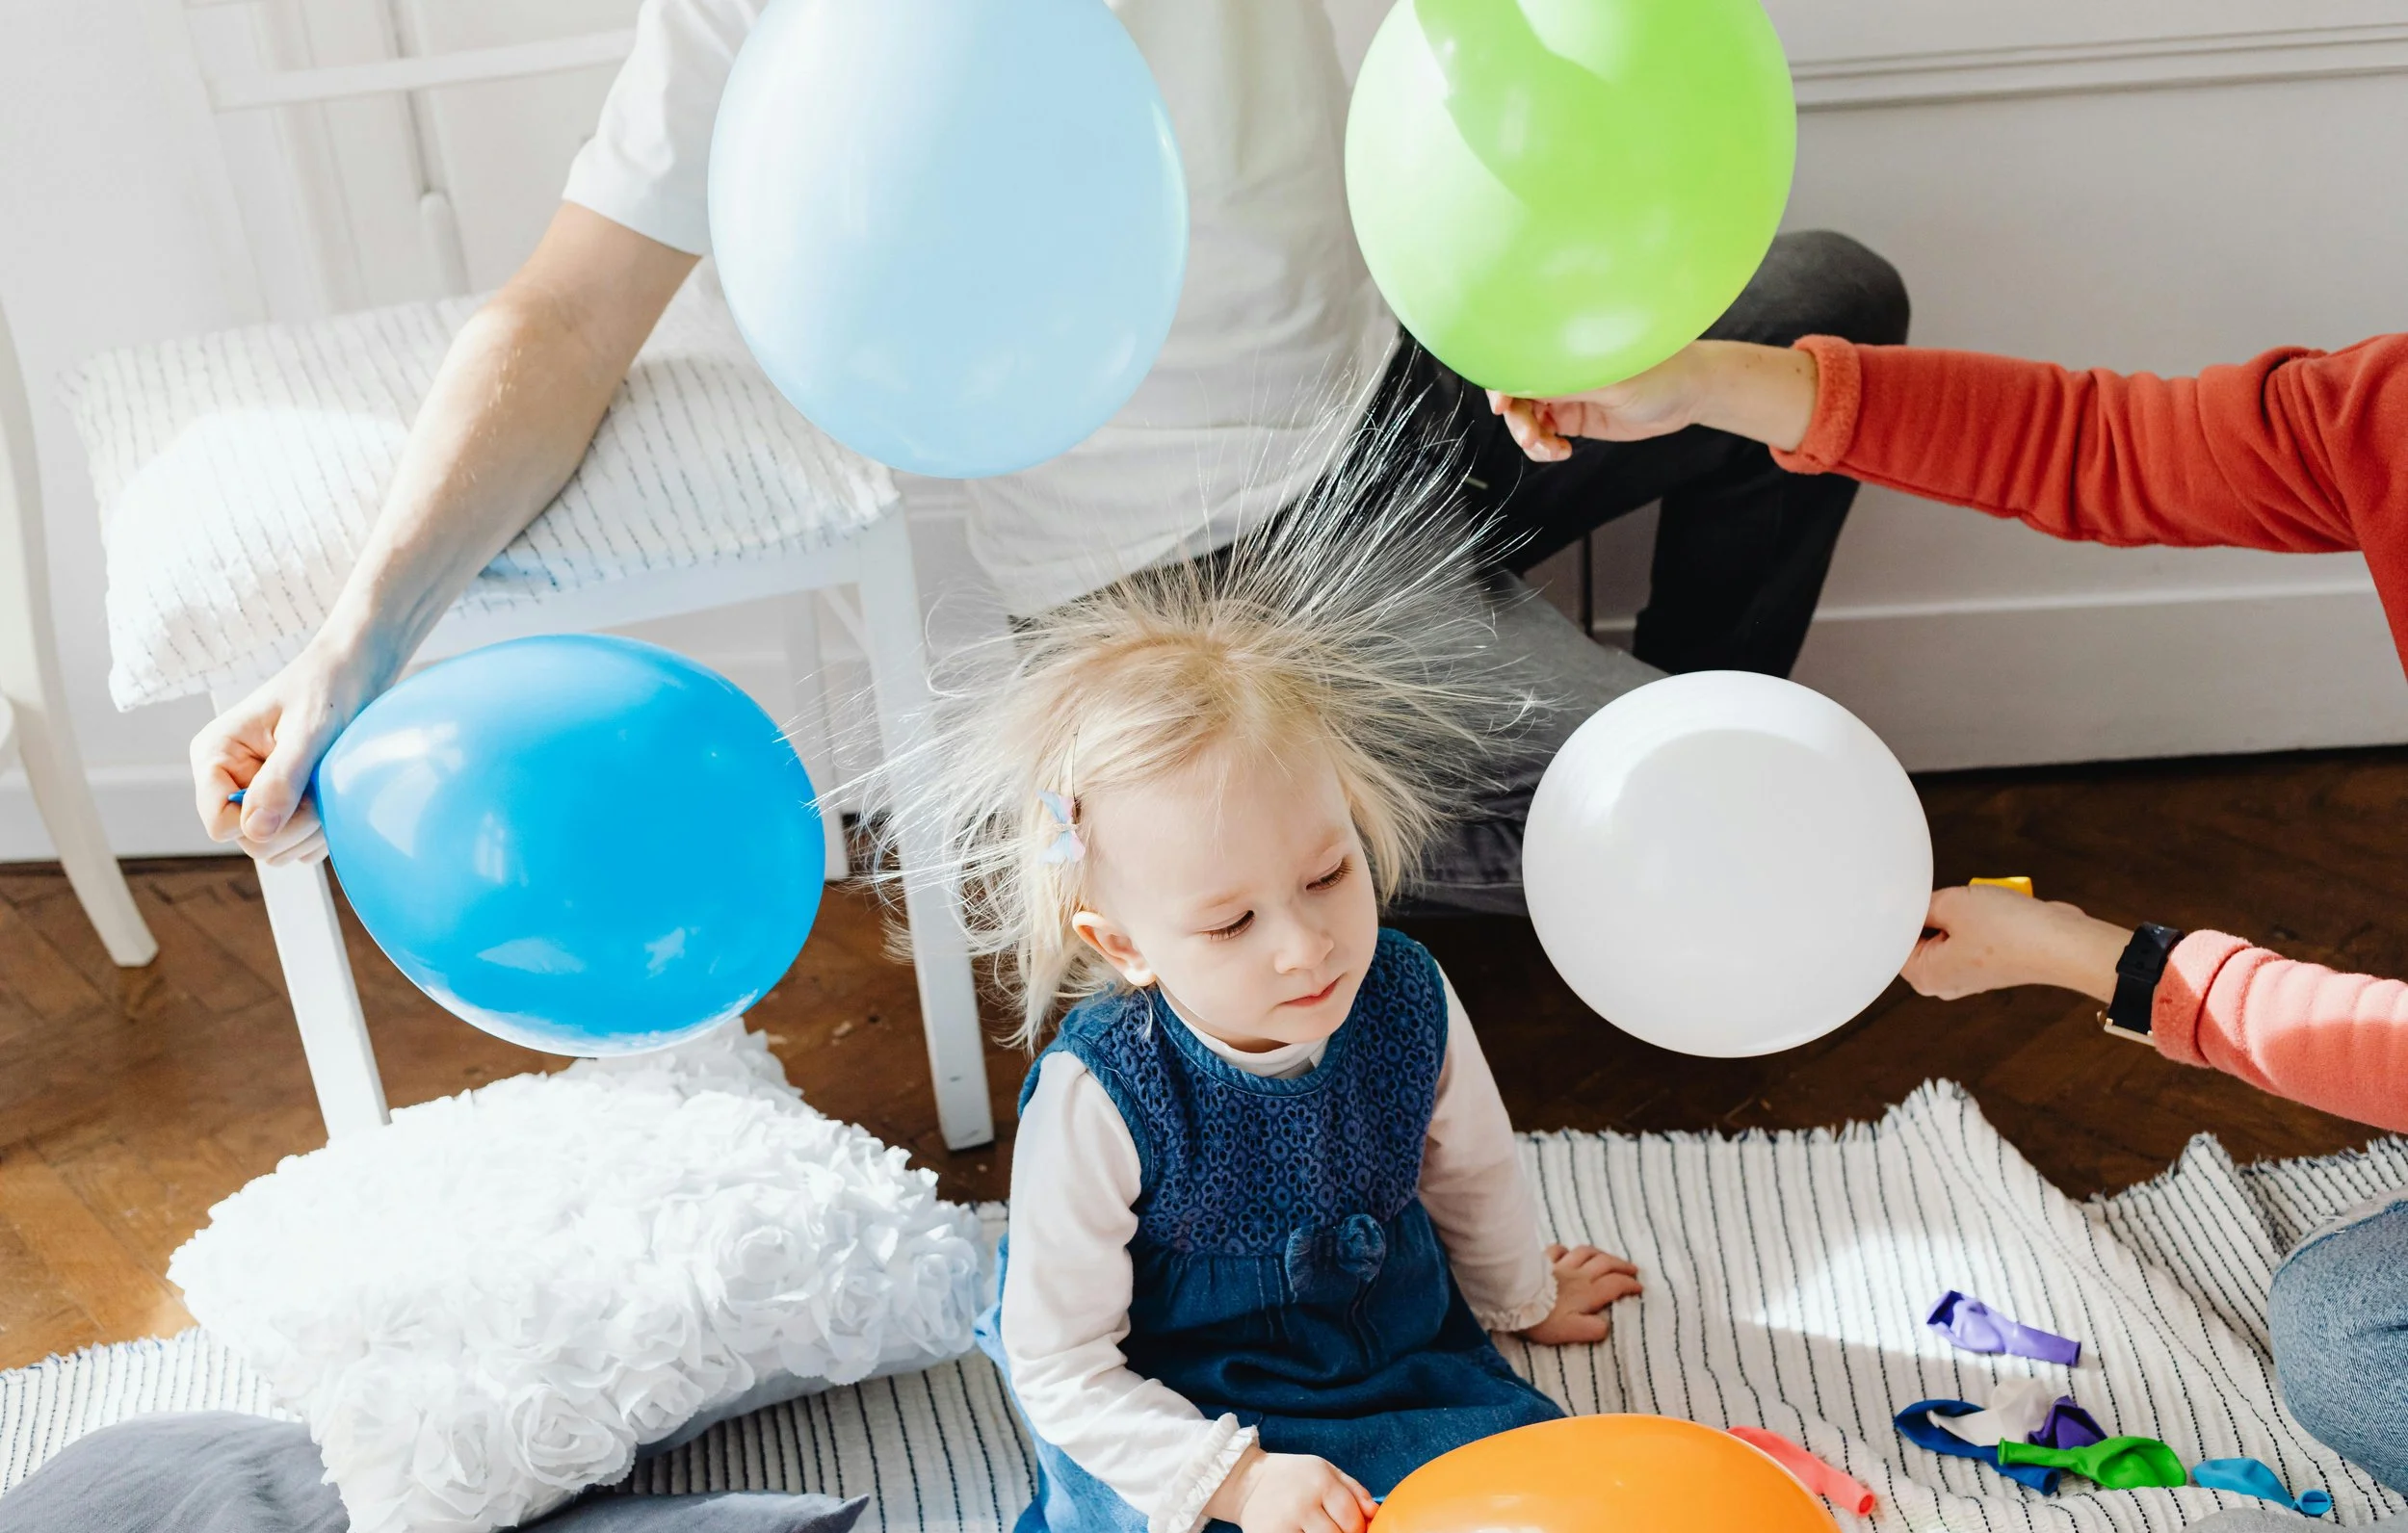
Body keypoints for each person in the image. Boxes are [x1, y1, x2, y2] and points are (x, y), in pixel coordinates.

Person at [189, 0, 1909, 917]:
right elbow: (564, 319)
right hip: (1201, 589)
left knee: (1836, 306)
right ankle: (1616, 816)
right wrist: (356, 639)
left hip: (1407, 386)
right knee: (1731, 814)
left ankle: (1677, 762)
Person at [1489, 330, 2408, 1517]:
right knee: (2345, 1318)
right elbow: (2097, 444)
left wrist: (2109, 965)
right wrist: (1710, 383)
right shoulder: (2382, 411)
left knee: (2347, 1341)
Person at [878, 479, 1641, 1533]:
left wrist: (1518, 1294)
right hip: (1181, 1405)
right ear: (1122, 943)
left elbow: (1470, 1167)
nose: (1303, 945)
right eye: (1232, 922)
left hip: (1385, 1354)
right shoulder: (1104, 1093)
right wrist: (1233, 1479)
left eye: (1328, 874)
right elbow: (1061, 1363)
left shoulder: (1405, 992)